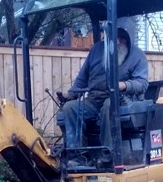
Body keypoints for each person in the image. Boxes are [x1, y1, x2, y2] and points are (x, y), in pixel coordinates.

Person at [60, 17, 148, 151]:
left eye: (122, 39)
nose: (118, 42)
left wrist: (123, 85)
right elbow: (82, 79)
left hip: (121, 101)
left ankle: (108, 153)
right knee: (69, 108)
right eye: (115, 38)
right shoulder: (96, 50)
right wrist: (70, 95)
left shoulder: (137, 56)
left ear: (129, 40)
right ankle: (76, 154)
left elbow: (142, 83)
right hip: (93, 100)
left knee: (109, 106)